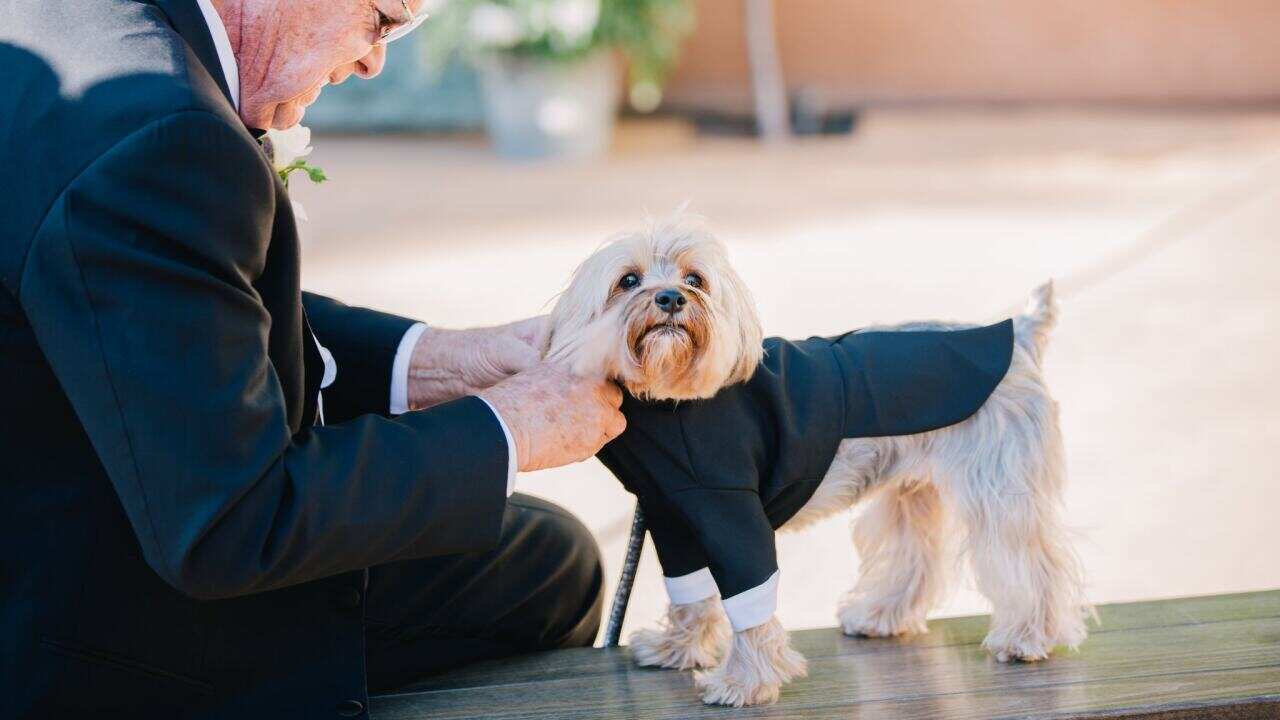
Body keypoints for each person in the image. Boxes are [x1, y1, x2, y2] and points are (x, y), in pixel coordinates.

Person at [0, 1, 627, 717]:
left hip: (76, 491)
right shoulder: (162, 135)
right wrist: (511, 428)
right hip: (92, 621)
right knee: (551, 572)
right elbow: (233, 523)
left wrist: (447, 361)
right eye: (383, 19)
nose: (374, 60)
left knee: (543, 548)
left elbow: (189, 305)